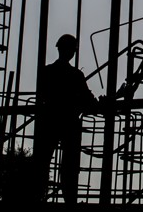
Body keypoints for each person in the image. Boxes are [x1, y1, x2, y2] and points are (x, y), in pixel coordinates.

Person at [36, 33, 98, 204]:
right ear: (72, 51)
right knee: (69, 166)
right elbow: (88, 99)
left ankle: (37, 196)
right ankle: (69, 199)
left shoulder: (48, 72)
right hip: (68, 122)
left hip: (49, 121)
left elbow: (41, 94)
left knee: (43, 162)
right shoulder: (75, 75)